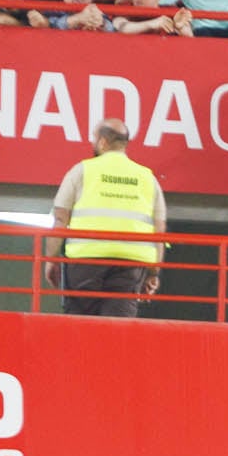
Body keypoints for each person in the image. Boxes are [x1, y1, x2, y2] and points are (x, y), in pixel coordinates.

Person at [46, 120, 166, 319]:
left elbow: (60, 219)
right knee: (117, 330)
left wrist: (51, 259)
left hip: (85, 261)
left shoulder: (81, 171)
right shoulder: (147, 178)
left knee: (80, 326)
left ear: (102, 142)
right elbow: (158, 230)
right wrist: (153, 273)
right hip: (131, 264)